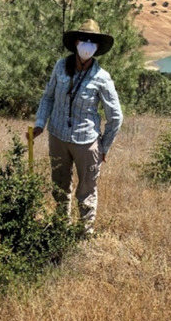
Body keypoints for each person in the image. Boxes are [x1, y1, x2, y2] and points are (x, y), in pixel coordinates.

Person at [29, 19, 123, 235]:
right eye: (83, 39)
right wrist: (40, 123)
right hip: (57, 136)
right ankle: (61, 228)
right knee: (59, 185)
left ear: (97, 47)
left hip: (86, 142)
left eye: (92, 41)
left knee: (86, 190)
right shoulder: (60, 67)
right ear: (75, 42)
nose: (87, 44)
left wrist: (104, 147)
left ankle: (84, 235)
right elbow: (48, 97)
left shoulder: (102, 77)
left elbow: (116, 116)